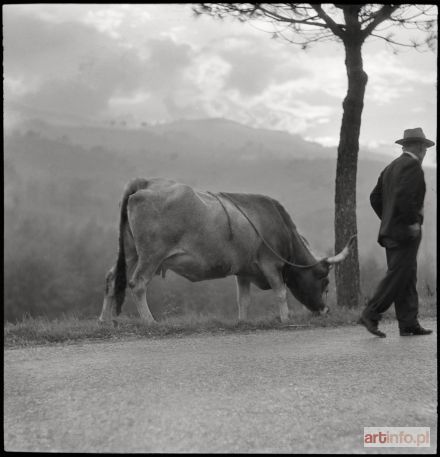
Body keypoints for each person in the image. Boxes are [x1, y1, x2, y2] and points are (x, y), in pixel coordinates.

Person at [359, 127, 435, 338]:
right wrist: (410, 222)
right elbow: (403, 197)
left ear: (404, 146)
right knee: (398, 275)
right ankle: (371, 313)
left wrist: (388, 219)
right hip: (405, 231)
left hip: (391, 231)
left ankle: (408, 323)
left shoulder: (390, 167)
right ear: (420, 147)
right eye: (425, 148)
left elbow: (375, 198)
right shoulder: (412, 166)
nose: (425, 152)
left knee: (407, 274)